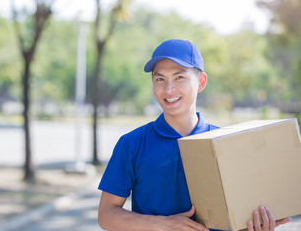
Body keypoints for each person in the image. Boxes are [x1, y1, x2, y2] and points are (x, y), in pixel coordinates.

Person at [98, 39, 291, 231]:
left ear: (201, 82)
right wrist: (162, 225)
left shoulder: (225, 144)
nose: (168, 89)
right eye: (160, 79)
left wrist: (256, 226)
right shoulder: (132, 144)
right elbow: (106, 215)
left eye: (179, 77)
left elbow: (238, 217)